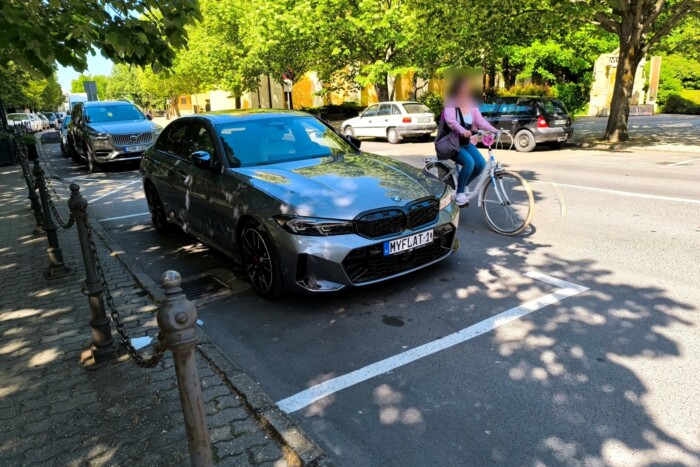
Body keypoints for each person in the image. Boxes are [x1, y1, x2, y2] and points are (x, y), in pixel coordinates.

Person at [443, 76, 498, 206]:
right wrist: (462, 130)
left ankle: (460, 187)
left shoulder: (471, 104)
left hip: (466, 143)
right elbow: (451, 121)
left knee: (480, 165)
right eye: (464, 86)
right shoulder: (451, 103)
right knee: (469, 162)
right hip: (453, 143)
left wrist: (495, 131)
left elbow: (480, 121)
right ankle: (460, 194)